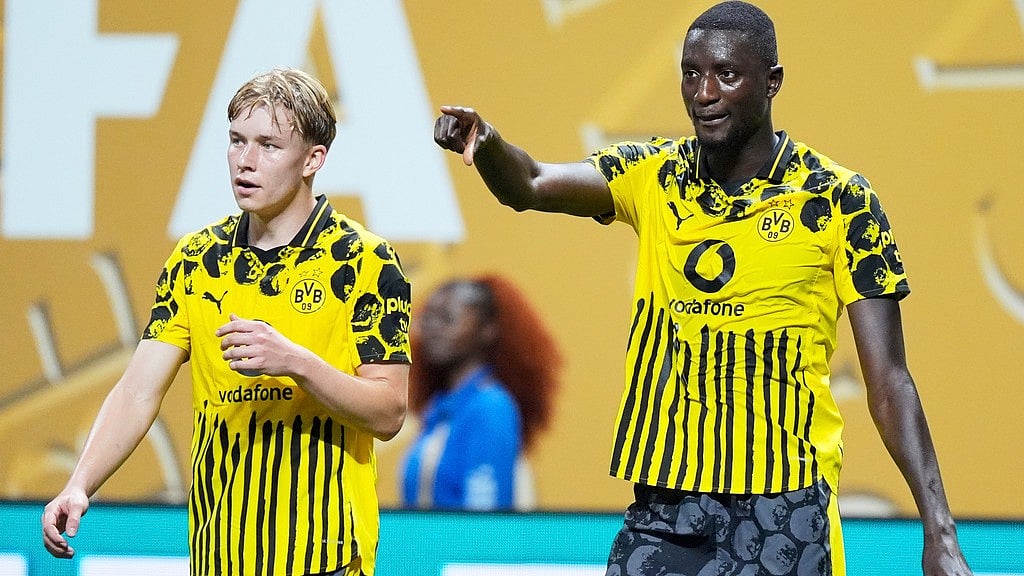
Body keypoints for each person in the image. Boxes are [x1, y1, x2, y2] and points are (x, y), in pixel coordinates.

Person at [433, 2, 972, 574]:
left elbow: (888, 380)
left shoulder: (839, 201)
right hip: (667, 500)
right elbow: (532, 182)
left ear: (773, 82)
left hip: (782, 499)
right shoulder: (653, 175)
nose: (704, 92)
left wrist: (939, 532)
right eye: (691, 73)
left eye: (727, 75)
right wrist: (488, 143)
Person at [41, 67, 411, 576]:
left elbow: (389, 411)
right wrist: (80, 483)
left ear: (313, 160)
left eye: (268, 145)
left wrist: (295, 362)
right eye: (236, 141)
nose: (246, 161)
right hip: (220, 557)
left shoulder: (364, 261)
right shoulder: (196, 259)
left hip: (326, 558)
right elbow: (137, 391)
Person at [400, 275, 561, 510]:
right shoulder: (439, 408)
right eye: (427, 318)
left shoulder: (491, 407)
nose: (432, 329)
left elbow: (485, 522)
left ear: (488, 330)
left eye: (447, 318)